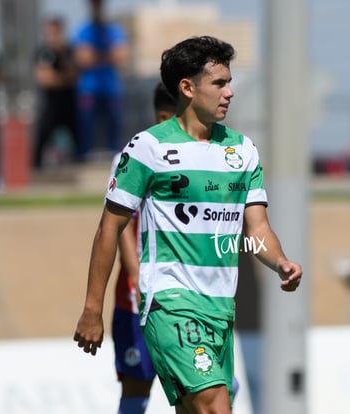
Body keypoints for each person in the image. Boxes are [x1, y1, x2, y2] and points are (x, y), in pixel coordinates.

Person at [74, 36, 302, 414]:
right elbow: (110, 228)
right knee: (212, 405)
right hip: (171, 303)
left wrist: (280, 262)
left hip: (221, 309)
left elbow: (258, 229)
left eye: (229, 82)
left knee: (197, 409)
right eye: (219, 83)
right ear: (187, 87)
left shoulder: (242, 150)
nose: (229, 92)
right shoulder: (147, 148)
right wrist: (92, 308)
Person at [110, 82, 177, 414]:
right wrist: (135, 273)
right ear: (166, 115)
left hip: (183, 296)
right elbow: (118, 222)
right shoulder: (134, 155)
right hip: (136, 300)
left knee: (216, 389)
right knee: (136, 389)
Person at [73, 0, 129, 161]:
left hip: (111, 88)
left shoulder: (114, 30)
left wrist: (95, 55)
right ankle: (83, 159)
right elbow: (82, 58)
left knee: (114, 126)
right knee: (86, 126)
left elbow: (121, 56)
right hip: (88, 89)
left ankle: (117, 161)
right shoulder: (83, 30)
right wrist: (107, 55)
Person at [33, 16, 79, 170]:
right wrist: (62, 79)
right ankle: (35, 169)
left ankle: (78, 167)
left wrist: (60, 75)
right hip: (50, 105)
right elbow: (45, 78)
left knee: (77, 137)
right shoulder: (42, 52)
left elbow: (73, 76)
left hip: (68, 103)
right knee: (42, 136)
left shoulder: (68, 51)